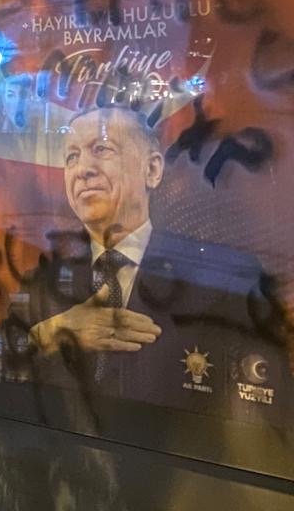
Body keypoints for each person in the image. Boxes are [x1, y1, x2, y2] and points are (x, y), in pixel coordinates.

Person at [27, 105, 287, 421]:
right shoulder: (43, 283)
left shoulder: (227, 279)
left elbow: (263, 419)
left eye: (102, 149)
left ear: (152, 170)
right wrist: (51, 333)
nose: (82, 169)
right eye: (72, 157)